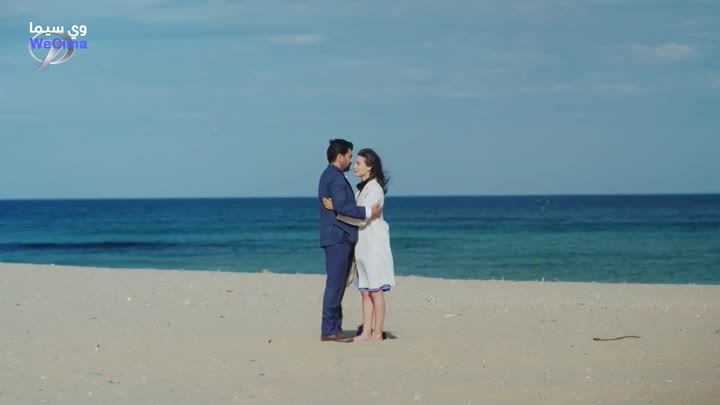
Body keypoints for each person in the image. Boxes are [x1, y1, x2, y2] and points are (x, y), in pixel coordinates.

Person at [322, 148, 395, 343]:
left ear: (369, 167)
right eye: (354, 162)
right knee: (364, 291)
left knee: (375, 290)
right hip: (362, 246)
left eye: (359, 163)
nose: (355, 166)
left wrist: (337, 211)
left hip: (373, 245)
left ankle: (377, 333)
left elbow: (362, 218)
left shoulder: (375, 189)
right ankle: (366, 333)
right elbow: (356, 211)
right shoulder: (360, 189)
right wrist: (342, 210)